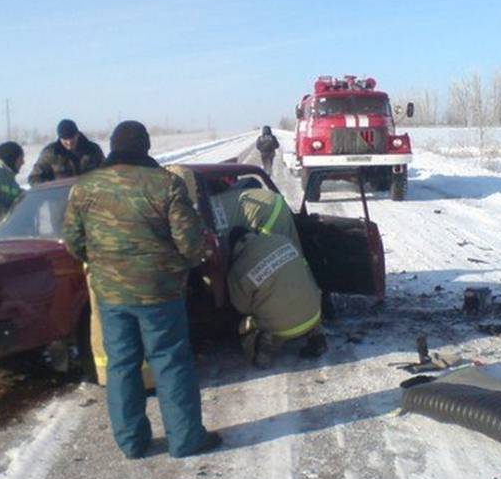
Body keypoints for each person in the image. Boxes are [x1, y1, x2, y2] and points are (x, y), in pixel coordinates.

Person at [63, 120, 221, 459]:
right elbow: (191, 245)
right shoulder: (167, 184)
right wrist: (180, 267)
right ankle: (185, 440)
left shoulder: (85, 187)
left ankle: (132, 443)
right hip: (160, 294)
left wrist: (106, 265)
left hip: (111, 295)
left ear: (112, 147)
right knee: (170, 362)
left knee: (121, 364)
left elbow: (73, 243)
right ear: (146, 147)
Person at [226, 227, 327, 369]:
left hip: (281, 327)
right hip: (315, 310)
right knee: (301, 296)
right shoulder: (282, 240)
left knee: (245, 325)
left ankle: (262, 349)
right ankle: (315, 333)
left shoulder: (237, 270)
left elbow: (242, 307)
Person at [209, 184, 302, 254]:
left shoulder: (205, 223)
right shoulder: (208, 206)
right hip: (266, 203)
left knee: (282, 254)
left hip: (269, 211)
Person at [28, 119, 104, 185]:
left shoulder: (93, 150)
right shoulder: (51, 153)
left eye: (72, 138)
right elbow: (34, 178)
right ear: (60, 138)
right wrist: (53, 187)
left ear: (77, 135)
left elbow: (107, 172)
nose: (69, 142)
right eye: (65, 139)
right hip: (61, 199)